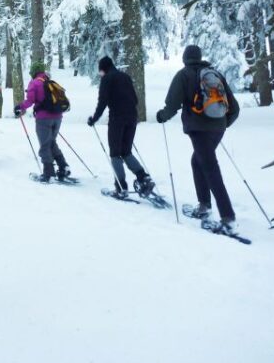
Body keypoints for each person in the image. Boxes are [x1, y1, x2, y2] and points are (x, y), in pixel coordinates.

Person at [156, 45, 240, 233]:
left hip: (199, 130)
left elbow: (172, 105)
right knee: (197, 162)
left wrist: (161, 116)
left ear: (185, 58)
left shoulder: (183, 75)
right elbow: (235, 108)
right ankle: (204, 206)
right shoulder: (214, 74)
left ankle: (228, 218)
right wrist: (222, 124)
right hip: (217, 129)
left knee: (210, 168)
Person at [87, 56, 155, 197]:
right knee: (126, 151)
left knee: (115, 153)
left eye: (100, 71)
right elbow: (135, 99)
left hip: (117, 119)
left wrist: (94, 119)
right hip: (132, 118)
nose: (100, 73)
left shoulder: (107, 79)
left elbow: (103, 101)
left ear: (103, 68)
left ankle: (121, 187)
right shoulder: (125, 76)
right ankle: (143, 177)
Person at [14, 62, 71, 182]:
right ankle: (63, 166)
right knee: (51, 142)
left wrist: (19, 107)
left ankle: (48, 173)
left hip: (44, 118)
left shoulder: (34, 83)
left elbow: (30, 101)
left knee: (45, 145)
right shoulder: (51, 82)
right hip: (58, 117)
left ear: (33, 72)